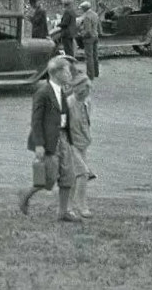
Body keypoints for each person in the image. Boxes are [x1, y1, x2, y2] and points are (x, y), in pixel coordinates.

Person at [20, 56, 80, 222]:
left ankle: (63, 212)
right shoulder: (43, 93)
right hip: (48, 140)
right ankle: (26, 195)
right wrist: (39, 144)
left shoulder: (62, 91)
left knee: (68, 175)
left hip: (62, 137)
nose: (70, 74)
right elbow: (36, 120)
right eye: (67, 71)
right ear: (57, 73)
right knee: (48, 178)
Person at [66, 67, 94, 219]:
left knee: (75, 176)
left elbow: (86, 122)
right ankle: (81, 206)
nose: (87, 93)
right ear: (78, 90)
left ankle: (69, 206)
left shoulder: (87, 102)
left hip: (82, 143)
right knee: (83, 173)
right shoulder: (68, 105)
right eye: (85, 90)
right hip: (70, 144)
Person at [78, 1, 102, 79]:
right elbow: (98, 26)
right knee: (95, 55)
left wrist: (81, 35)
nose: (81, 10)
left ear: (84, 8)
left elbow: (87, 30)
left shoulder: (87, 16)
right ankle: (96, 73)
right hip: (95, 36)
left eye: (81, 8)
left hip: (89, 38)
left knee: (89, 56)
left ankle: (90, 74)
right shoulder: (95, 14)